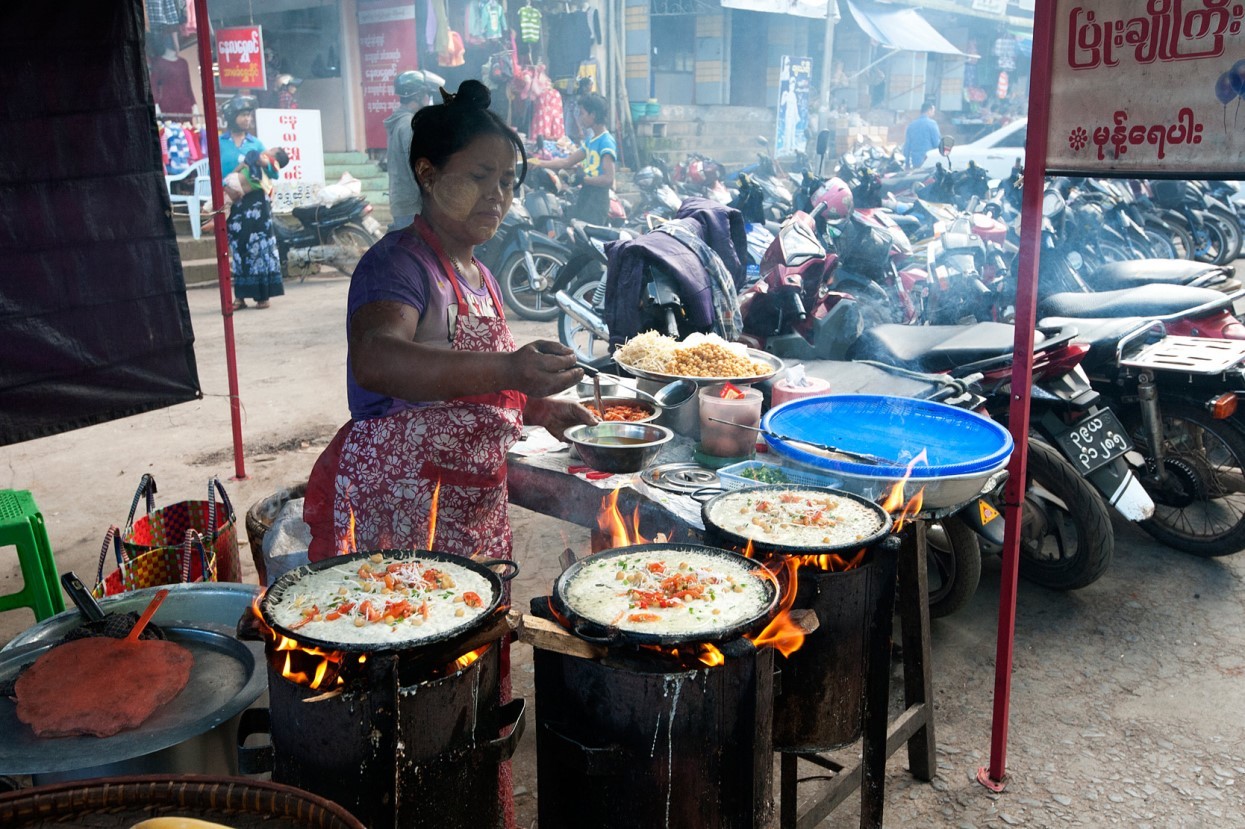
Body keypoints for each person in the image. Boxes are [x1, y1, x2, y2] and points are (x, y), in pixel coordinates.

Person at [303, 81, 593, 823]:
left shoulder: (480, 274)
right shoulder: (397, 264)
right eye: (478, 176)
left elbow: (470, 384)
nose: (498, 196)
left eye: (508, 180)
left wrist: (539, 405)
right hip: (400, 513)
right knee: (408, 680)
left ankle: (469, 805)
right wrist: (508, 370)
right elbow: (379, 359)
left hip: (470, 508)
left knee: (470, 681)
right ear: (427, 174)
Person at [219, 95, 284, 310]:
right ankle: (240, 296)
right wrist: (225, 188)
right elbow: (214, 171)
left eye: (249, 115)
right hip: (234, 202)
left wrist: (267, 164)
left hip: (257, 204)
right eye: (243, 115)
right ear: (232, 117)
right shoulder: (220, 143)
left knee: (261, 248)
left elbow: (273, 173)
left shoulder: (256, 144)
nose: (247, 119)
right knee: (238, 248)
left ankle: (263, 295)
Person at [529, 92, 615, 225]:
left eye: (582, 113)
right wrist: (538, 162)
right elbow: (567, 161)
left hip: (597, 200)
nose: (579, 118)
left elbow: (608, 179)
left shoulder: (606, 141)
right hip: (586, 195)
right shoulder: (591, 141)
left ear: (593, 115)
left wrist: (583, 179)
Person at [385, 69, 444, 231]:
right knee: (418, 254)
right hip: (411, 206)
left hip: (405, 203)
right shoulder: (408, 125)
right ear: (418, 96)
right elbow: (416, 167)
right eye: (427, 94)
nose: (428, 99)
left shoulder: (401, 122)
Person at [903, 100, 942, 171]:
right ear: (929, 111)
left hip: (915, 161)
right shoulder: (932, 124)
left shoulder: (911, 125)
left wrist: (907, 163)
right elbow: (937, 144)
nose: (933, 113)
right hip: (928, 160)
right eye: (933, 111)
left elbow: (907, 147)